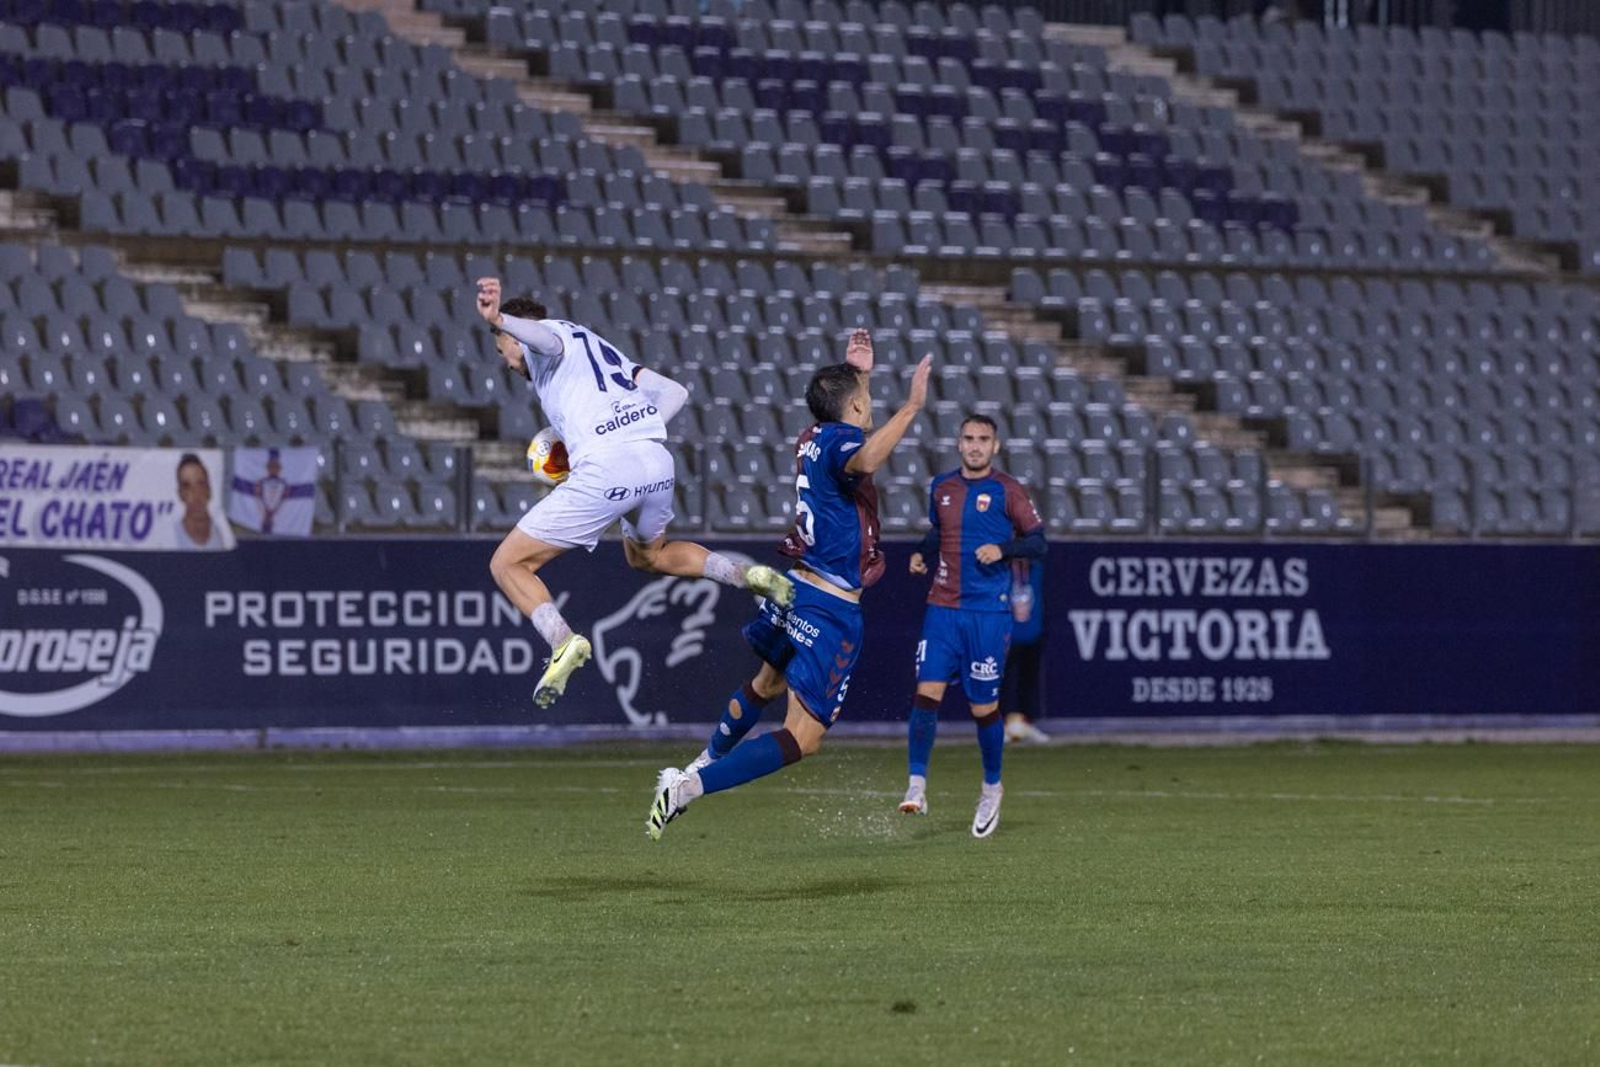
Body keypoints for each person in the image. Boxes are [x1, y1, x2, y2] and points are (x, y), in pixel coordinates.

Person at [646, 332, 932, 840]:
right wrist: (911, 407)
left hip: (795, 588)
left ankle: (696, 766)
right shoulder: (843, 444)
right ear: (855, 406)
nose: (869, 408)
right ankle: (689, 788)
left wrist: (860, 375)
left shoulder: (811, 437)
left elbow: (849, 419)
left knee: (766, 684)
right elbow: (866, 457)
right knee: (803, 737)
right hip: (829, 606)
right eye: (864, 400)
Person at [474, 277, 794, 708]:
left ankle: (562, 640)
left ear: (515, 337)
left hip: (607, 468)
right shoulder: (597, 348)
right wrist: (631, 431)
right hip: (654, 459)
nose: (508, 363)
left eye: (503, 351)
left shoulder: (547, 339)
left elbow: (543, 338)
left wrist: (499, 319)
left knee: (507, 563)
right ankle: (744, 575)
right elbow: (675, 392)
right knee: (648, 556)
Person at [898, 414, 1046, 837]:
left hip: (988, 614)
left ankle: (991, 788)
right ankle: (917, 783)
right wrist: (922, 552)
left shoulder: (1008, 490)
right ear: (959, 443)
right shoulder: (942, 487)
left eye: (983, 439)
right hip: (942, 608)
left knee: (983, 708)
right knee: (927, 693)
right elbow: (938, 531)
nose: (976, 445)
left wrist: (1003, 549)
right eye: (969, 438)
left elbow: (1038, 542)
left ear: (995, 446)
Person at [1000, 557, 1050, 744]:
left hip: (1032, 632)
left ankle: (1026, 722)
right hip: (1007, 634)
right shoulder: (1002, 569)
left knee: (1029, 681)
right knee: (1003, 682)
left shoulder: (1036, 568)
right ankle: (1001, 725)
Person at [174, 452, 226, 549]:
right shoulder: (171, 537)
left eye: (200, 484)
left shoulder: (224, 536)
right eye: (187, 486)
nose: (195, 493)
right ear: (180, 494)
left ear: (209, 490)